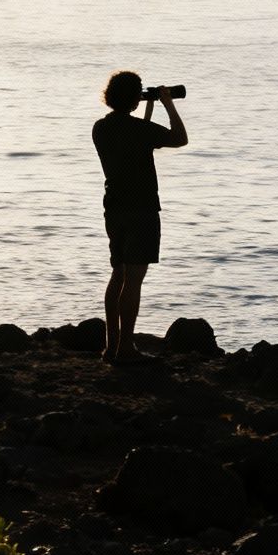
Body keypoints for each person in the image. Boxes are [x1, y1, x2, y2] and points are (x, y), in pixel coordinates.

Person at [91, 70, 187, 364]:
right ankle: (127, 348)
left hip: (115, 207)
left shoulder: (101, 128)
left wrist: (147, 106)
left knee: (118, 273)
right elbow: (179, 138)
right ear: (134, 98)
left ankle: (112, 345)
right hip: (142, 208)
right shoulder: (138, 131)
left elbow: (136, 136)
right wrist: (168, 103)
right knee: (134, 280)